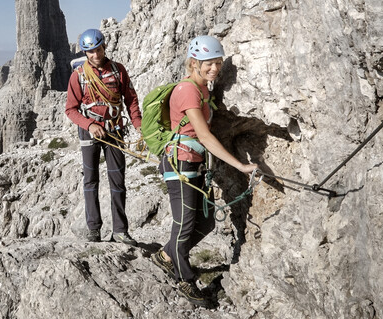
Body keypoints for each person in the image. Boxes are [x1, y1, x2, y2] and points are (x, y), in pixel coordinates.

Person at [150, 35, 259, 307]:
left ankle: (166, 256)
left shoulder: (203, 91)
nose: (215, 68)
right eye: (209, 63)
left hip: (195, 163)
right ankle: (185, 279)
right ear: (194, 63)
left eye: (218, 63)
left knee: (206, 222)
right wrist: (239, 165)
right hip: (180, 164)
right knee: (185, 225)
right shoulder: (188, 90)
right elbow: (205, 136)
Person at [65, 29, 142, 245]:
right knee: (91, 180)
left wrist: (138, 124)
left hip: (114, 129)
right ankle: (93, 230)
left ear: (104, 47)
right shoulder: (78, 75)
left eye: (98, 50)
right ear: (85, 52)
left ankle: (120, 231)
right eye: (90, 51)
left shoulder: (118, 71)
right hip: (90, 131)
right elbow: (71, 109)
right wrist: (89, 125)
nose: (95, 55)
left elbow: (131, 99)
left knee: (118, 180)